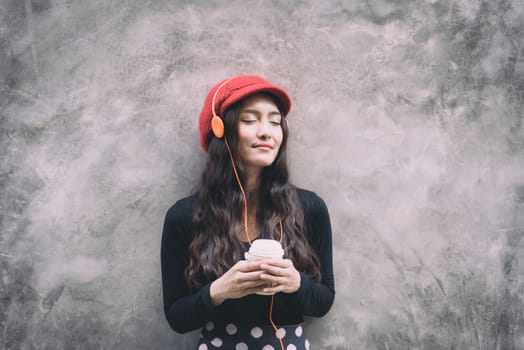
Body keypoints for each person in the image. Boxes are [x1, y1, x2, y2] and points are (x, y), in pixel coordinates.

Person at [161, 75, 335, 350]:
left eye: (275, 122)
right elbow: (176, 317)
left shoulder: (310, 208)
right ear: (221, 130)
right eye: (250, 120)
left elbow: (324, 301)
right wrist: (220, 291)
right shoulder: (184, 216)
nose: (266, 132)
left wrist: (295, 282)